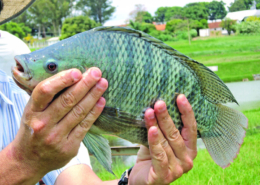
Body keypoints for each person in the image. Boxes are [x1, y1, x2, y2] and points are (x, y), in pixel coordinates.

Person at [0, 1, 198, 184]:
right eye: (51, 67)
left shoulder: (22, 99)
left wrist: (133, 180)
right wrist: (25, 160)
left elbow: (77, 181)